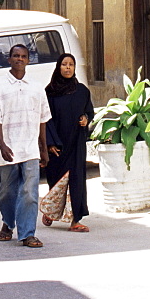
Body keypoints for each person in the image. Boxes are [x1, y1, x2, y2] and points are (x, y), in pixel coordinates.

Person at [0, 44, 51, 248]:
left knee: (30, 192)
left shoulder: (36, 87)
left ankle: (27, 234)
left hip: (31, 148)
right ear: (9, 59)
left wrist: (44, 148)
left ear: (28, 60)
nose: (19, 59)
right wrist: (2, 144)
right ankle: (8, 222)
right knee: (7, 192)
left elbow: (43, 119)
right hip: (9, 148)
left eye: (23, 56)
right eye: (15, 56)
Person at [41, 53, 94, 232]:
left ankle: (75, 220)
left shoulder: (82, 91)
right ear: (59, 67)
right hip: (57, 146)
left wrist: (86, 119)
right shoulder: (49, 92)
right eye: (64, 64)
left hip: (76, 143)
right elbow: (45, 119)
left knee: (76, 180)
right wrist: (49, 143)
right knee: (57, 180)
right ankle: (51, 209)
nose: (68, 68)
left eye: (71, 64)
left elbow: (89, 111)